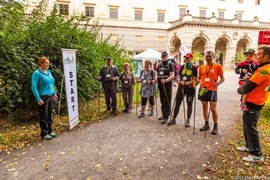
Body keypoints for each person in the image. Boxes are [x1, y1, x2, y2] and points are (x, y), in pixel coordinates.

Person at [237, 45, 270, 162]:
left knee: (251, 126)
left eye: (259, 54)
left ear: (266, 56)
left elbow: (247, 87)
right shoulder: (264, 68)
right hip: (255, 100)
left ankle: (256, 153)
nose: (256, 56)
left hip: (254, 102)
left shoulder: (264, 70)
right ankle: (248, 145)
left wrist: (240, 89)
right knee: (247, 124)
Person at [197, 51, 225, 135]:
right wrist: (196, 82)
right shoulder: (202, 67)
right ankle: (206, 124)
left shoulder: (218, 66)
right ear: (205, 57)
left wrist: (218, 83)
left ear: (213, 57)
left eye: (210, 56)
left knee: (213, 108)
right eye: (207, 56)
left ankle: (215, 126)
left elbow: (222, 78)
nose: (208, 58)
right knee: (204, 108)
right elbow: (199, 78)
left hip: (212, 89)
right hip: (203, 89)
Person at [31, 56, 58, 140]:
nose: (48, 64)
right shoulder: (36, 73)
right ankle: (44, 133)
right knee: (44, 115)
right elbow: (34, 86)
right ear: (41, 63)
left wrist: (55, 93)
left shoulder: (49, 72)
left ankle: (50, 131)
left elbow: (52, 84)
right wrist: (38, 98)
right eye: (46, 63)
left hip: (51, 95)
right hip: (43, 97)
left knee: (49, 114)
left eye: (48, 63)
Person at [168, 53, 198, 126]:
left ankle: (188, 120)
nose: (186, 59)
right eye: (186, 58)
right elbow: (179, 76)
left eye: (188, 58)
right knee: (177, 102)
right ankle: (173, 119)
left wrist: (186, 83)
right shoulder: (182, 67)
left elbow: (194, 80)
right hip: (181, 87)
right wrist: (178, 80)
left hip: (190, 88)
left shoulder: (194, 68)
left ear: (191, 59)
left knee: (189, 104)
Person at [157, 51, 175, 124]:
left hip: (167, 85)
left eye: (165, 56)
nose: (164, 57)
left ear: (167, 57)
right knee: (162, 100)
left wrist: (166, 80)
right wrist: (156, 78)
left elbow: (172, 75)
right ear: (161, 57)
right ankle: (163, 113)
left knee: (167, 100)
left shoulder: (170, 64)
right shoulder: (160, 64)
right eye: (163, 56)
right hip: (160, 85)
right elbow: (157, 73)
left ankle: (166, 116)